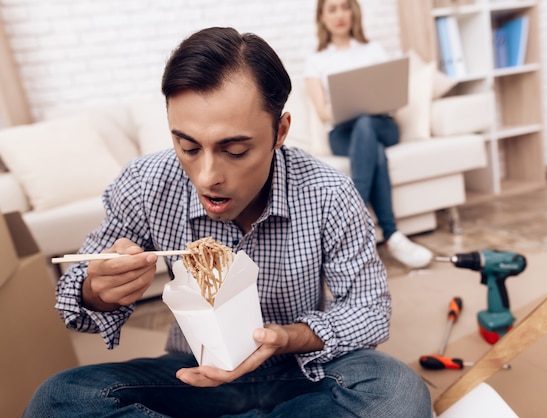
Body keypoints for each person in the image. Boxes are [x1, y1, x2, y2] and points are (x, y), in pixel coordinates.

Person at [24, 27, 432, 417]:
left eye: (235, 150)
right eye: (187, 146)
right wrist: (98, 289)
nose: (206, 177)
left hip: (300, 370)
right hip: (192, 374)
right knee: (59, 399)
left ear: (280, 131)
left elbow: (369, 307)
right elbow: (75, 295)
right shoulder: (147, 184)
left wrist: (288, 337)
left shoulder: (329, 192)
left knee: (397, 391)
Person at [305, 0, 433, 269]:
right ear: (322, 17)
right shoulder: (316, 61)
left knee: (367, 124)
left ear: (354, 12)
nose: (340, 14)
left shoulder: (373, 50)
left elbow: (394, 99)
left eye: (345, 7)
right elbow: (323, 112)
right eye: (332, 9)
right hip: (342, 133)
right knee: (370, 145)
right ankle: (392, 234)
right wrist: (352, 109)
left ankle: (355, 218)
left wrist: (377, 103)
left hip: (382, 125)